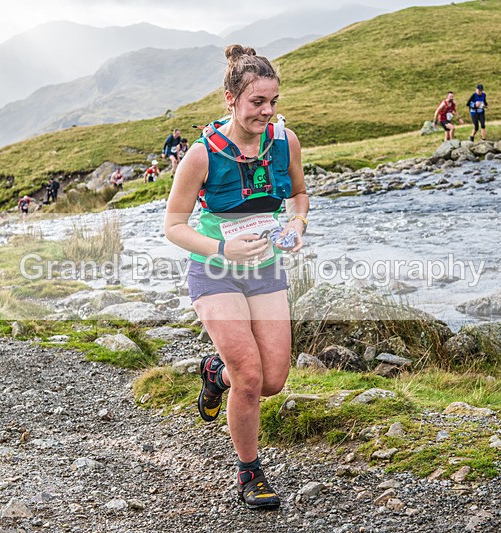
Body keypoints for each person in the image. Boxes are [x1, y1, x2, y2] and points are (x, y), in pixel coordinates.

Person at [164, 44, 308, 511]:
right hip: (214, 269)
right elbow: (174, 225)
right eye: (256, 103)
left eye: (272, 102)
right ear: (230, 99)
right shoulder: (200, 157)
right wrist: (223, 247)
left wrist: (297, 224)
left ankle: (214, 373)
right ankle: (250, 472)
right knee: (249, 376)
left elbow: (300, 194)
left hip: (265, 268)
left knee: (274, 379)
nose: (266, 112)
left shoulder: (286, 142)